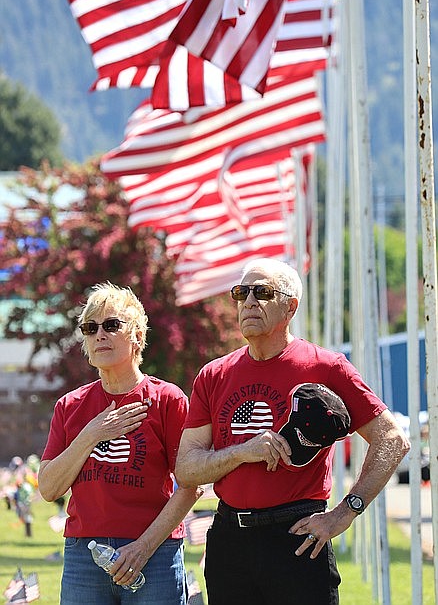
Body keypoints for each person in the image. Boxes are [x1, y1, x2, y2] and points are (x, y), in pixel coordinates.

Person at [175, 258, 410, 605]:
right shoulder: (214, 375)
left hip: (299, 537)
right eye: (242, 293)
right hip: (230, 541)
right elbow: (186, 467)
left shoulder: (326, 366)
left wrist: (345, 512)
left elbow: (392, 439)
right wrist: (242, 451)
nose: (249, 302)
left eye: (262, 292)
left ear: (290, 306)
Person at [39, 282, 201, 605]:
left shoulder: (168, 400)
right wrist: (91, 434)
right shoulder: (70, 406)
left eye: (112, 325)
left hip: (154, 554)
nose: (100, 334)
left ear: (137, 337)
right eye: (91, 327)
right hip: (84, 556)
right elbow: (48, 488)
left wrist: (142, 548)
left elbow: (191, 486)